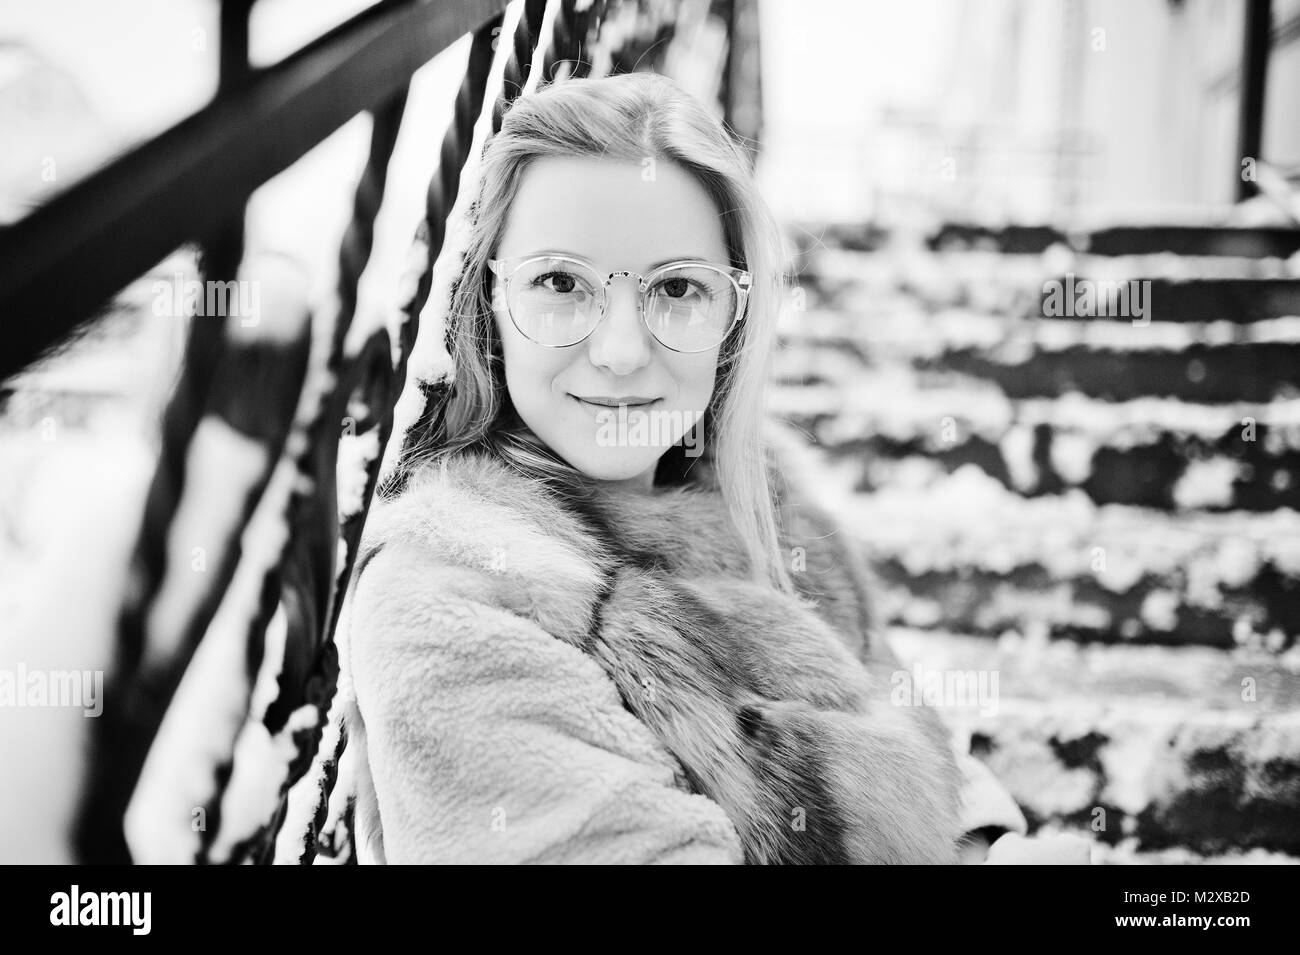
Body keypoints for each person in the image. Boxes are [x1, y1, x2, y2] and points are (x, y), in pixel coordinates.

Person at [339, 71, 1084, 864]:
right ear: (487, 302)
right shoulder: (451, 605)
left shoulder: (759, 506)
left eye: (677, 287)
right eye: (560, 282)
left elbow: (911, 736)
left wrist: (993, 844)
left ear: (734, 317)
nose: (622, 351)